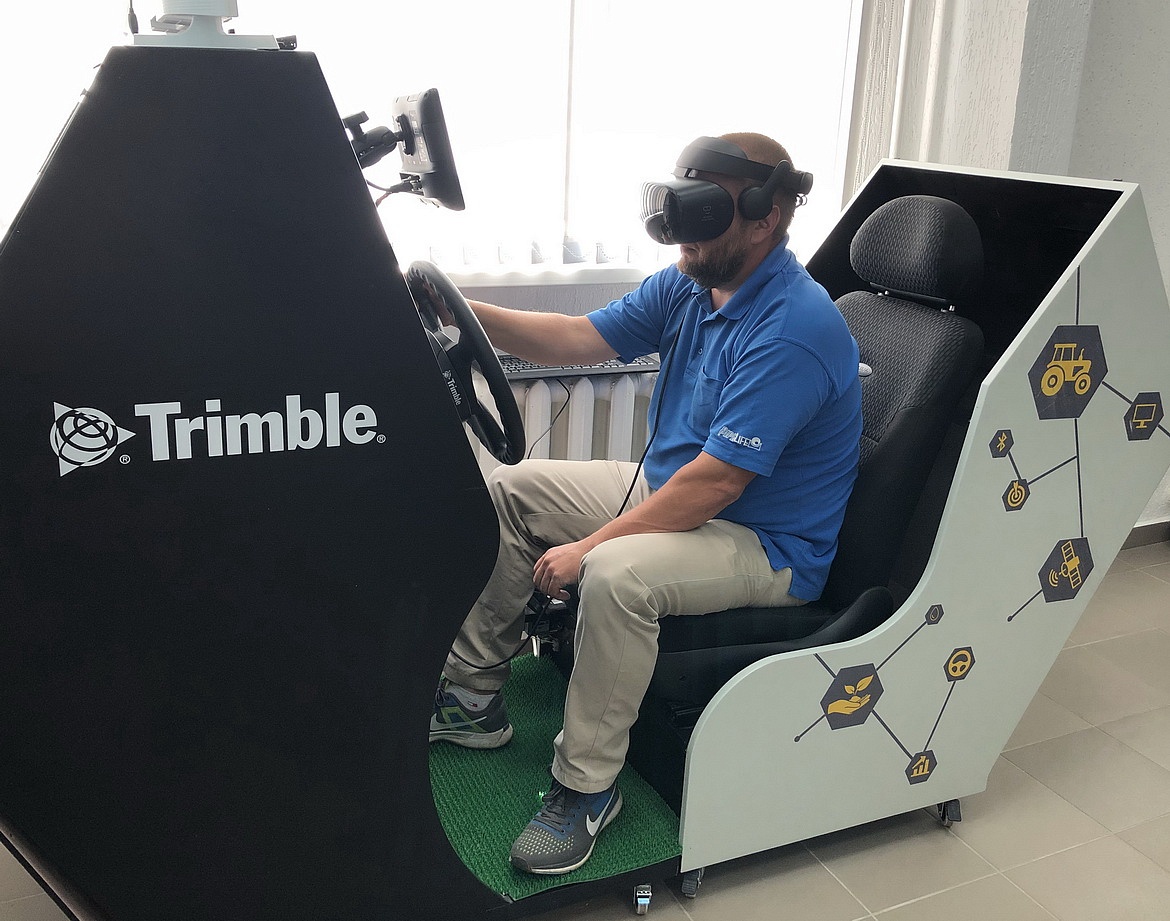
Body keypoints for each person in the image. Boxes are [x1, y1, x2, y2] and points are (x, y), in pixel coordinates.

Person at [428, 132, 862, 876]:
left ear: (767, 215)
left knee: (615, 574)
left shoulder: (795, 327)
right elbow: (578, 338)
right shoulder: (691, 281)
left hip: (766, 543)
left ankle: (587, 788)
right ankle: (473, 700)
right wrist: (461, 309)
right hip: (680, 497)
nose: (683, 232)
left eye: (705, 212)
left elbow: (716, 484)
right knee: (512, 492)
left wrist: (588, 547)